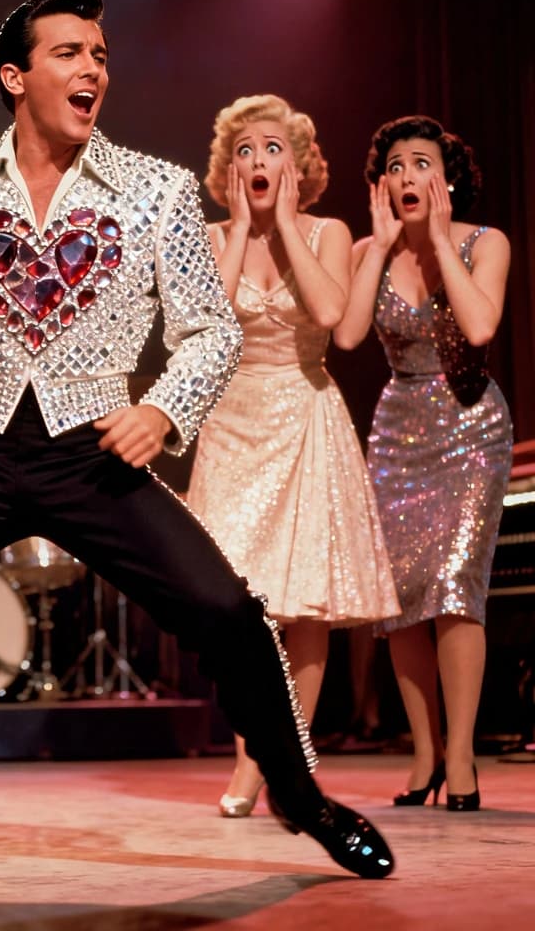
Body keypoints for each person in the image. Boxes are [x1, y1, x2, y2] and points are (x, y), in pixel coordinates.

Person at [0, 0, 394, 889]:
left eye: (99, 53)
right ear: (15, 78)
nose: (92, 68)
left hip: (97, 448)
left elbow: (209, 331)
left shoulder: (158, 190)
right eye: (69, 53)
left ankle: (304, 798)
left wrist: (164, 409)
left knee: (228, 612)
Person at [187, 95, 401, 817]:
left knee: (306, 602)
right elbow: (208, 333)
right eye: (245, 150)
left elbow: (335, 319)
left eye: (273, 149)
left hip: (305, 414)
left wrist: (281, 226)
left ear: (300, 165)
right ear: (228, 167)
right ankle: (261, 755)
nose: (258, 161)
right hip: (234, 423)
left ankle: (278, 767)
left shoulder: (330, 231)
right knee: (237, 603)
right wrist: (247, 230)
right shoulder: (213, 237)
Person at [334, 115, 512, 811]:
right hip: (398, 427)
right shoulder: (363, 251)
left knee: (455, 588)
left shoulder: (483, 242)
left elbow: (479, 328)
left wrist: (438, 240)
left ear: (449, 176)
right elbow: (348, 335)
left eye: (421, 164)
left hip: (470, 425)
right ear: (381, 183)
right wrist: (379, 250)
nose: (409, 177)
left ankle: (463, 756)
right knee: (403, 600)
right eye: (396, 166)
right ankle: (424, 752)